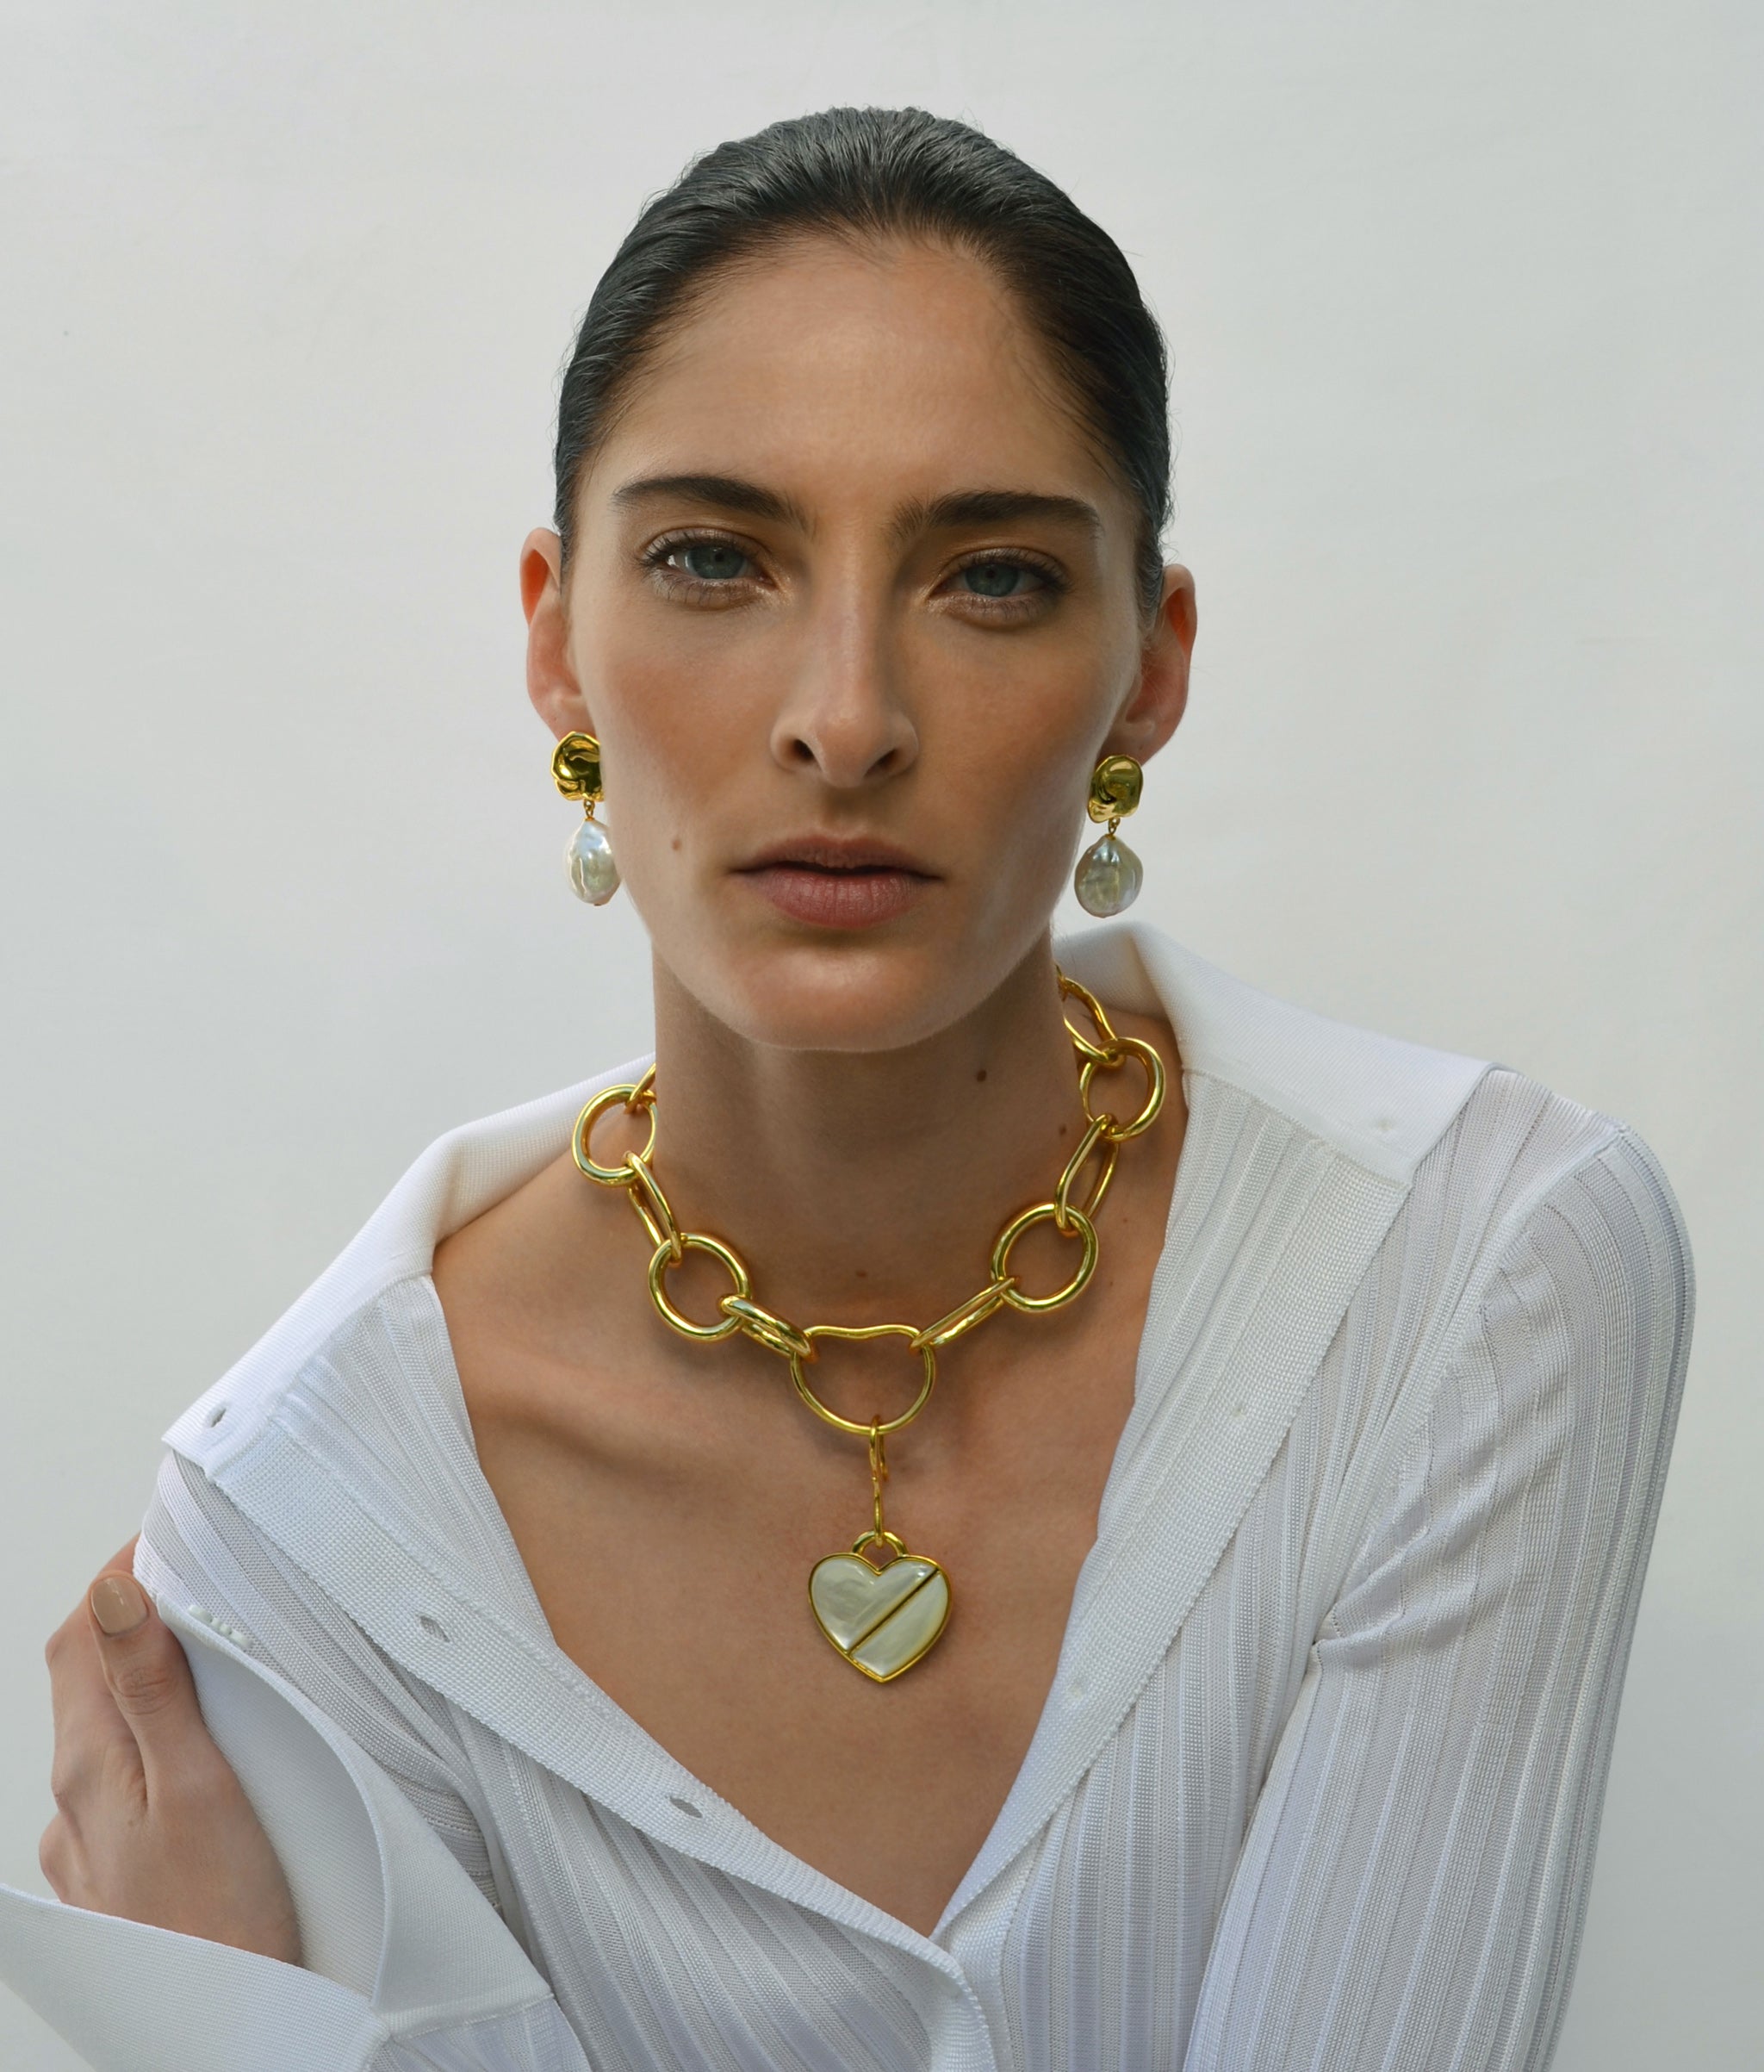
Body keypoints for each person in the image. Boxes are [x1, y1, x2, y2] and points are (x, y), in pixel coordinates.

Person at [0, 107, 1693, 2072]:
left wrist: (274, 2057)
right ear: (555, 637)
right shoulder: (302, 1542)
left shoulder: (1473, 1280)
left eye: (988, 579)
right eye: (715, 559)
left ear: (1149, 665)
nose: (845, 719)